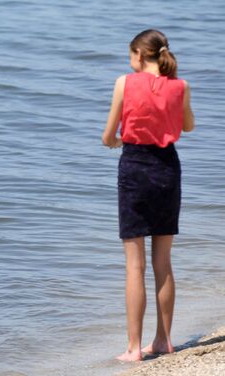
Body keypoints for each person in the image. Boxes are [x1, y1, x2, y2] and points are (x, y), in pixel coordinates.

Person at [102, 29, 195, 361]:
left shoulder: (124, 83)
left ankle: (133, 347)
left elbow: (108, 135)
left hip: (134, 167)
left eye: (130, 56)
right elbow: (188, 126)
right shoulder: (180, 86)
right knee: (163, 262)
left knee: (134, 266)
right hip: (168, 169)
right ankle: (163, 340)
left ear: (140, 55)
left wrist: (116, 143)